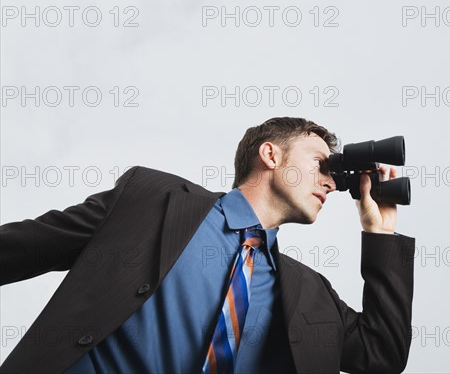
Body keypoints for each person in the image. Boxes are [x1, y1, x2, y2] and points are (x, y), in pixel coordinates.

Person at [0, 117, 415, 374]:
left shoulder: (310, 293)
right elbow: (25, 246)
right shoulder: (153, 200)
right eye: (321, 164)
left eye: (336, 176)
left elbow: (383, 352)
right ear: (270, 154)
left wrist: (379, 234)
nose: (330, 181)